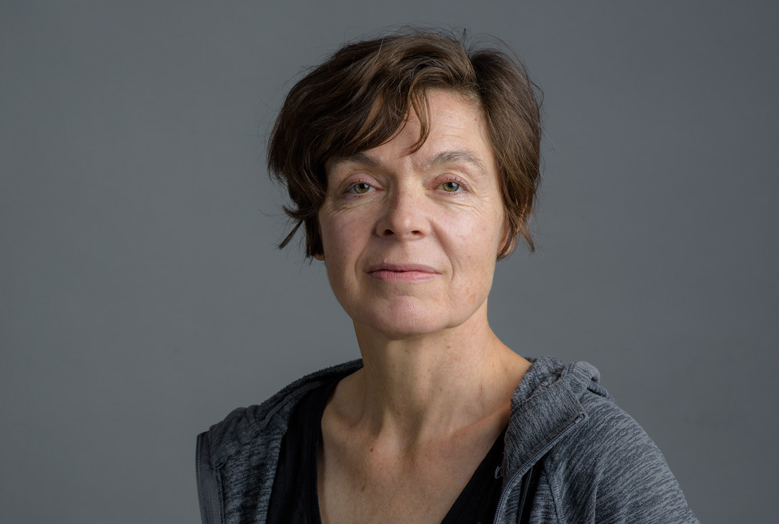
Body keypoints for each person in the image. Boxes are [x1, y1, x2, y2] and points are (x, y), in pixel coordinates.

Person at [196, 30, 698, 524]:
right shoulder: (250, 461)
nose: (402, 218)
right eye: (362, 185)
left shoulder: (596, 463)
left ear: (510, 221)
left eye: (451, 184)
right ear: (318, 225)